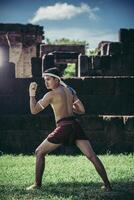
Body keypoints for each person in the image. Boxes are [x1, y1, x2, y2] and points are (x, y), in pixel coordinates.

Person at [26, 67, 112, 191]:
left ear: (56, 80)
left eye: (48, 79)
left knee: (39, 152)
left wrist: (31, 94)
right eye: (45, 80)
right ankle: (107, 185)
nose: (46, 82)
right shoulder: (70, 91)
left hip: (64, 127)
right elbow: (81, 110)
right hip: (75, 125)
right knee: (92, 156)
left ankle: (37, 185)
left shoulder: (50, 94)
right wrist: (73, 100)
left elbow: (34, 110)